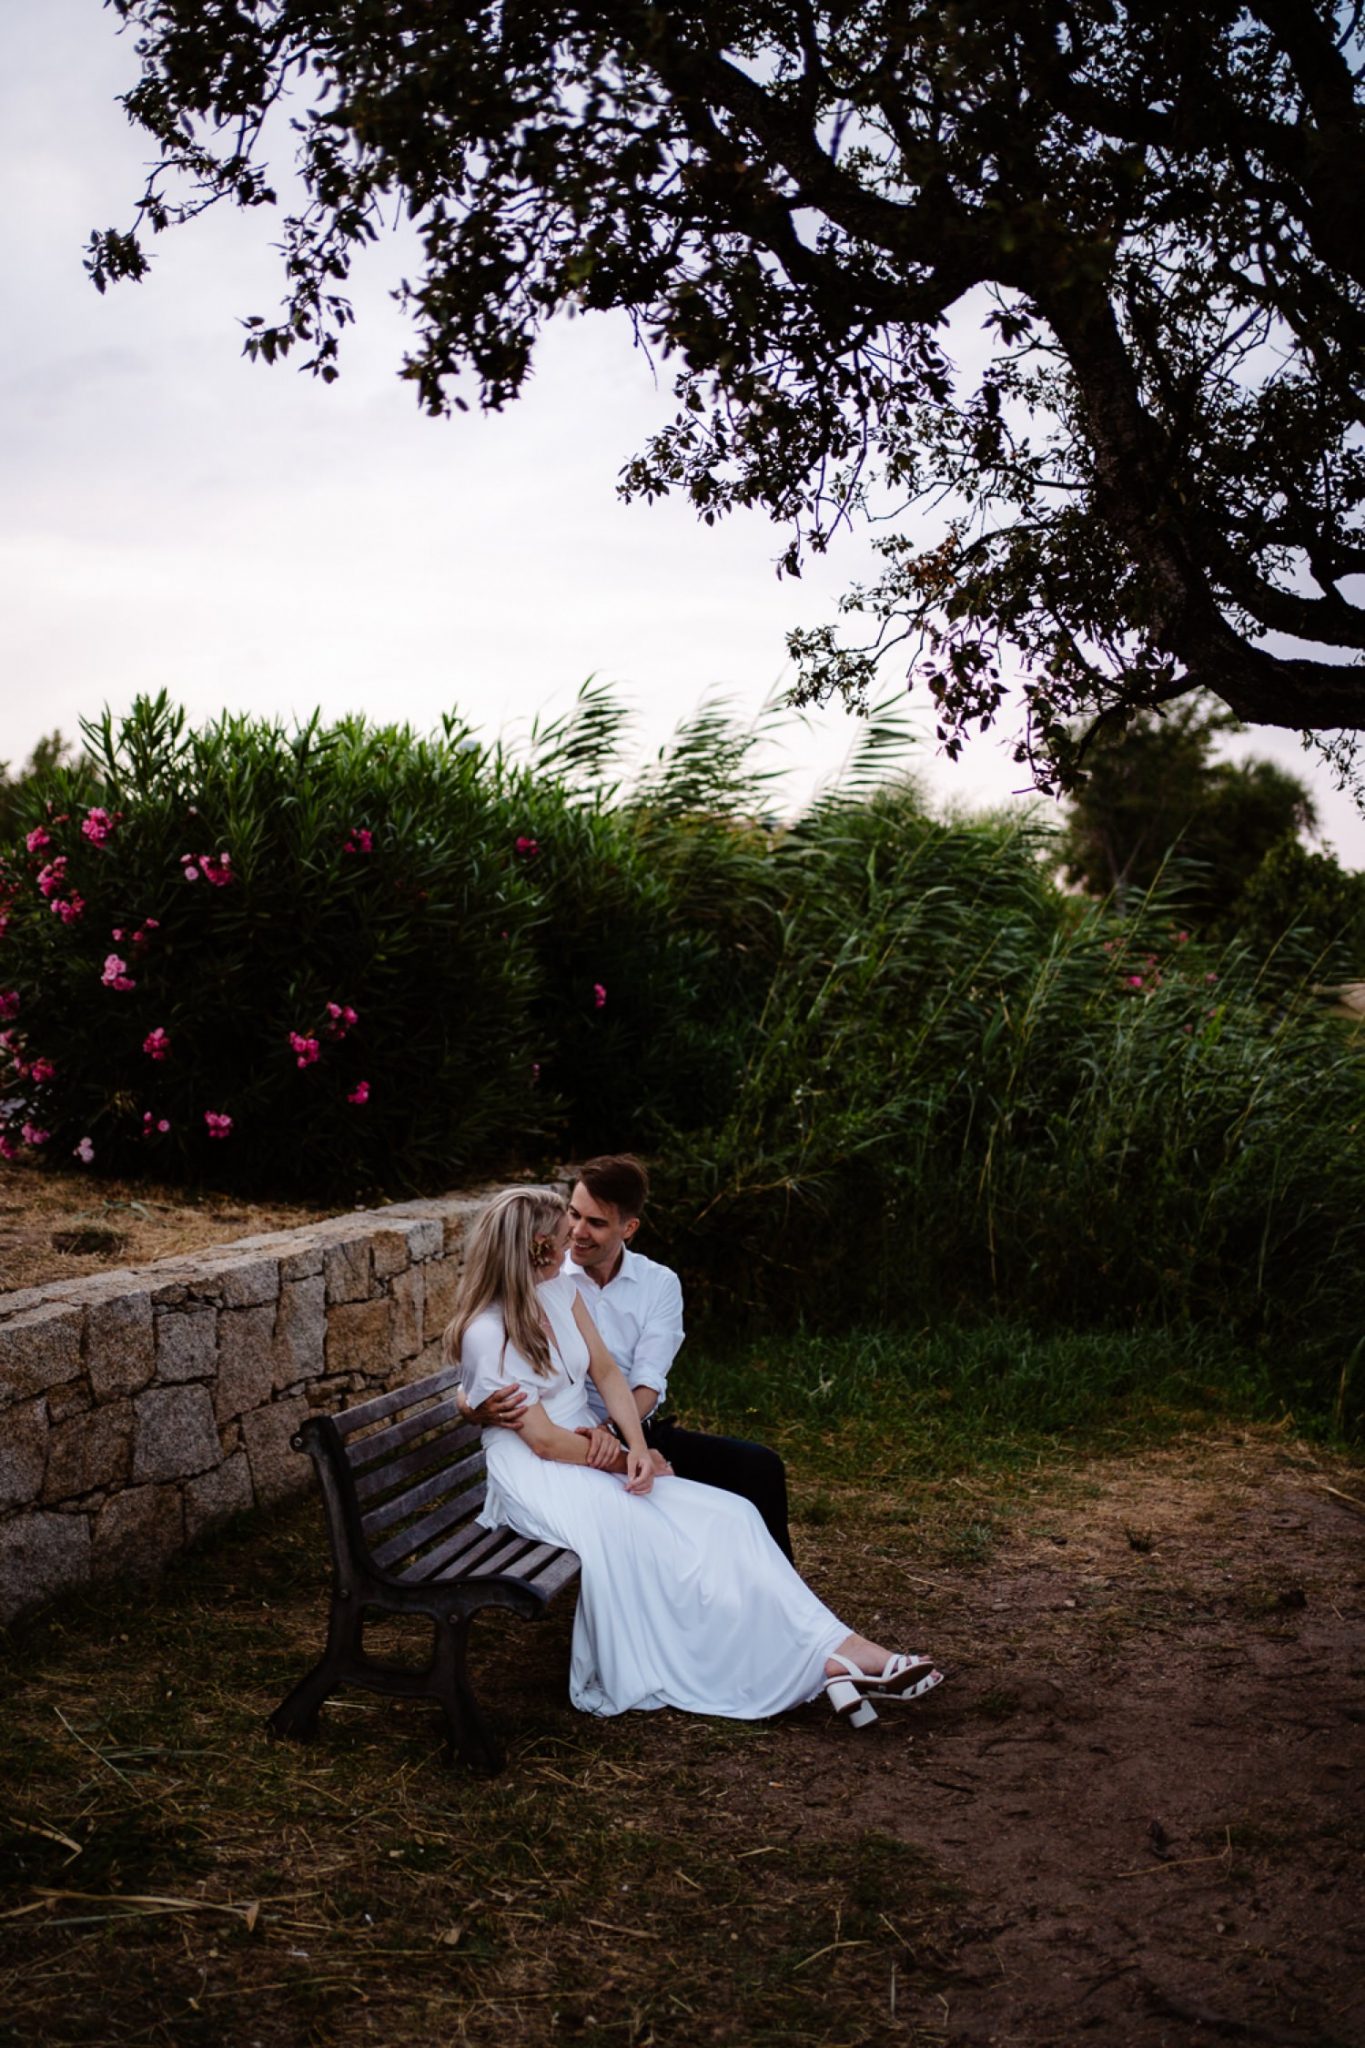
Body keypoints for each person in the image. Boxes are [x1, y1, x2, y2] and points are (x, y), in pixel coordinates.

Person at [444, 1185, 943, 1727]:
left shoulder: (562, 1294)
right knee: (671, 1544)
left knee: (734, 1517)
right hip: (540, 1472)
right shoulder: (486, 1331)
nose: (574, 1244)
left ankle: (835, 1653)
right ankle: (831, 1660)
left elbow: (608, 1373)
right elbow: (541, 1441)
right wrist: (617, 1458)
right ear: (540, 1248)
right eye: (565, 1237)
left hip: (588, 1446)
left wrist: (637, 1448)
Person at [466, 1153, 794, 1557]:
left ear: (629, 1227)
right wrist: (469, 1404)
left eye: (596, 1223)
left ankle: (778, 1584)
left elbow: (646, 1382)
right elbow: (486, 1359)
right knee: (682, 1524)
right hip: (559, 1434)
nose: (578, 1233)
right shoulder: (544, 1275)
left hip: (628, 1422)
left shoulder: (658, 1285)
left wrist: (619, 1440)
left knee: (759, 1467)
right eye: (574, 1215)